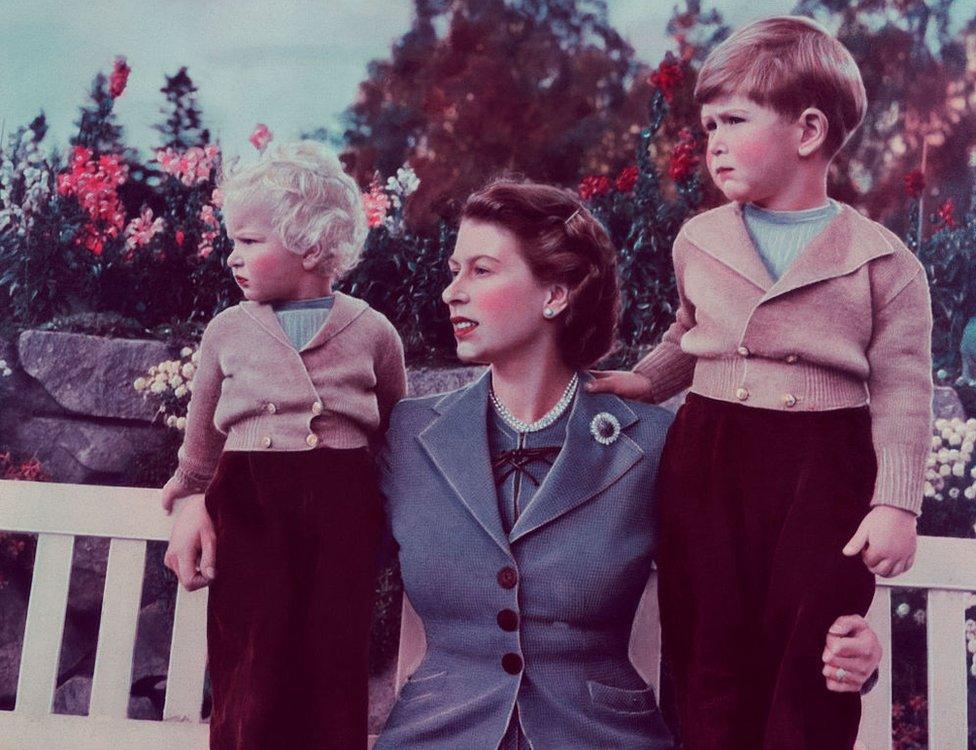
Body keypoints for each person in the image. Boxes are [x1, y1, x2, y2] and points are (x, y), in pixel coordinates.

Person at [373, 179, 882, 749]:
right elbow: (324, 587)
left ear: (555, 295)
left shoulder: (656, 445)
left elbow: (746, 603)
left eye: (481, 270)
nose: (451, 292)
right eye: (453, 269)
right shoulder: (409, 436)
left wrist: (849, 652)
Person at [587, 16, 932, 749]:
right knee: (709, 648)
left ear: (808, 131)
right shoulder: (700, 240)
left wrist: (895, 502)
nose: (712, 140)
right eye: (708, 122)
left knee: (812, 656)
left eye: (734, 120)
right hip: (709, 457)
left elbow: (904, 387)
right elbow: (689, 332)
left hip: (824, 468)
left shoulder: (884, 261)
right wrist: (648, 382)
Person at [159, 141, 407, 749]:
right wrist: (189, 492)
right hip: (249, 505)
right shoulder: (227, 331)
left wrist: (404, 506)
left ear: (309, 245)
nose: (232, 257)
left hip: (343, 507)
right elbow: (203, 432)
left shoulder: (373, 331)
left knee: (333, 652)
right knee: (253, 653)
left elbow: (396, 432)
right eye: (232, 241)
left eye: (249, 242)